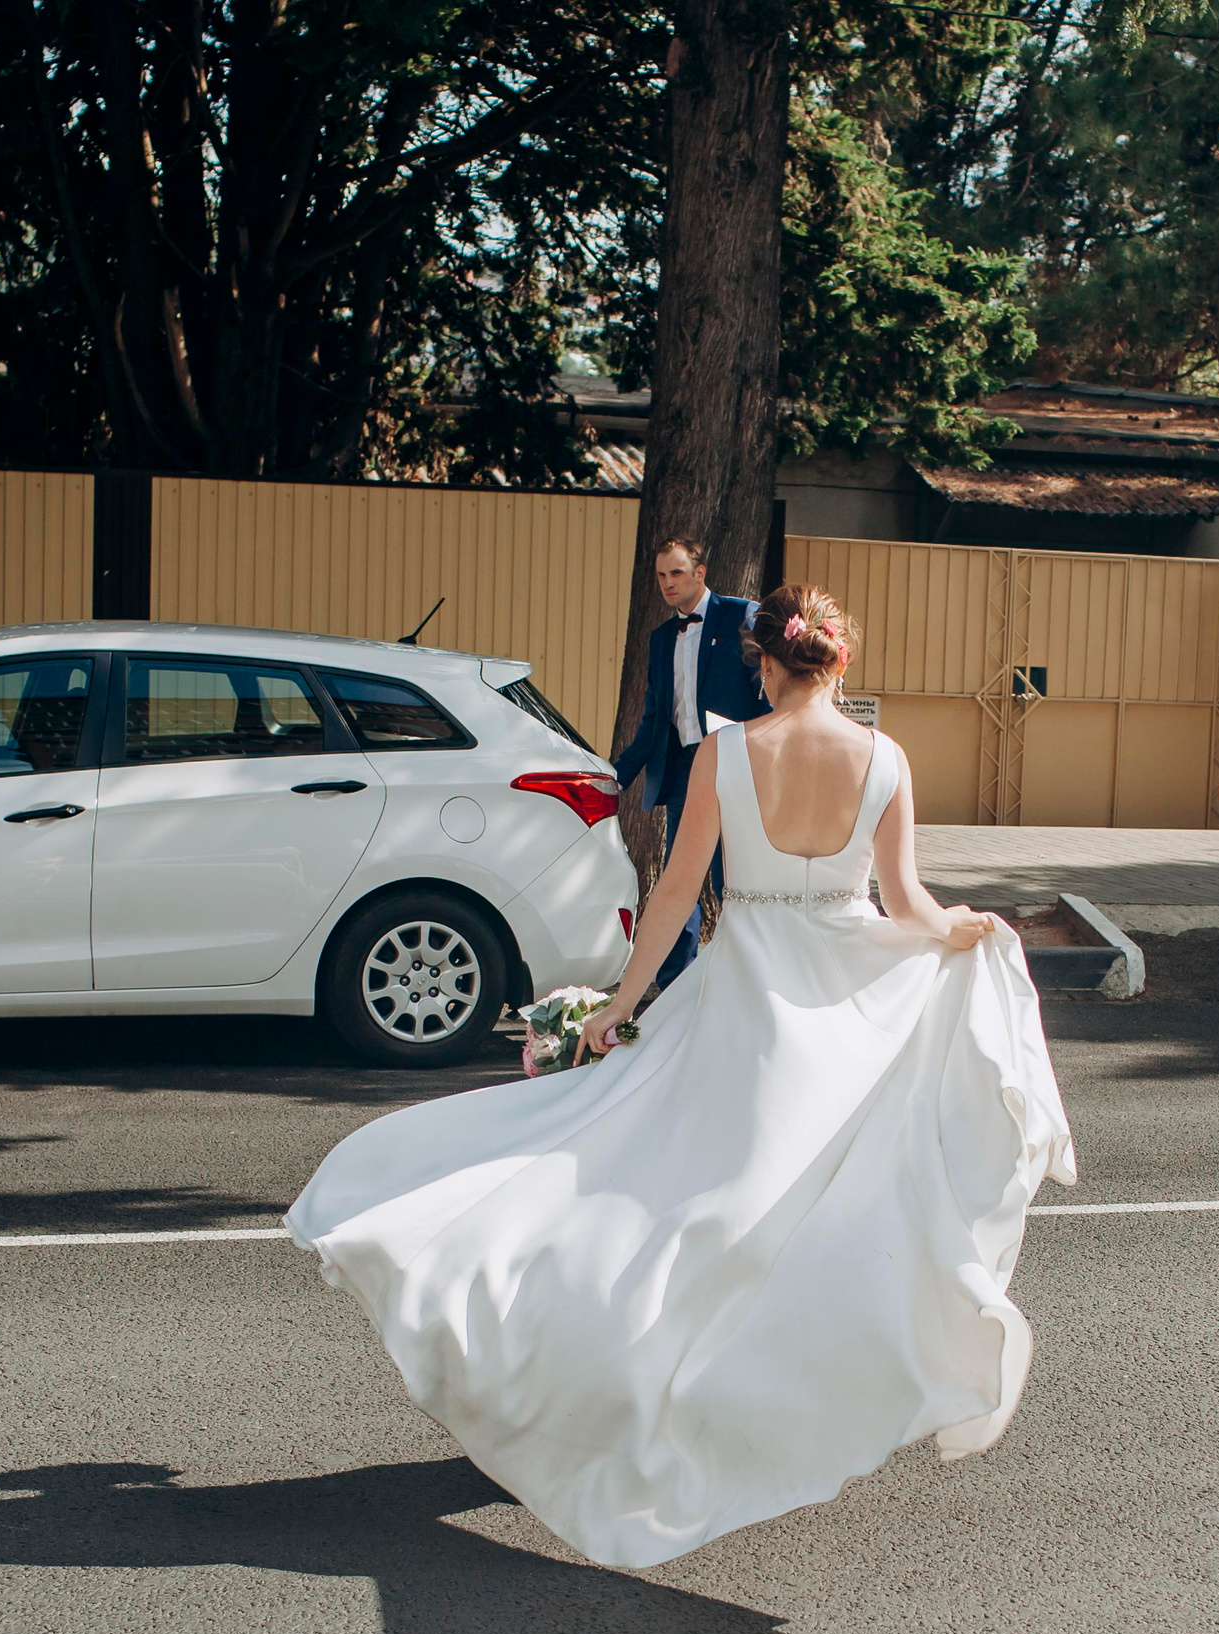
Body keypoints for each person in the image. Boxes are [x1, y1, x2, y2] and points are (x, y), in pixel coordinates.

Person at [286, 584, 1077, 1571]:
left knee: (648, 1186)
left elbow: (673, 889)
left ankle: (600, 1382)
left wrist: (620, 1005)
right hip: (840, 1009)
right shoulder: (885, 759)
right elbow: (906, 900)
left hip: (741, 1003)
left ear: (766, 664)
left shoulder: (725, 753)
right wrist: (969, 930)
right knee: (782, 1217)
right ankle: (740, 1400)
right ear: (837, 661)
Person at [610, 538, 773, 989]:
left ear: (700, 572)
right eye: (661, 575)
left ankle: (742, 977)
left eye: (676, 573)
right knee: (679, 877)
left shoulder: (742, 615)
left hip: (740, 766)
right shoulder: (661, 639)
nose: (667, 583)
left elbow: (770, 694)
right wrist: (616, 777)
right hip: (686, 771)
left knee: (732, 877)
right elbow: (653, 720)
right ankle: (673, 987)